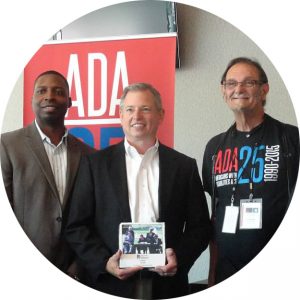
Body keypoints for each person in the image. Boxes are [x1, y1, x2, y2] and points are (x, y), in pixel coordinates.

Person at [65, 82, 211, 299]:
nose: (137, 116)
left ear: (161, 114)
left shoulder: (184, 167)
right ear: (121, 115)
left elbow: (200, 227)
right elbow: (76, 226)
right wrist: (105, 263)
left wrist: (178, 257)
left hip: (167, 286)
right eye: (130, 109)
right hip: (110, 286)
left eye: (145, 109)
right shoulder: (95, 165)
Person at [202, 57, 299, 285]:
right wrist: (212, 274)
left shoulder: (290, 139)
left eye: (249, 82)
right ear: (223, 91)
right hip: (228, 272)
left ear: (264, 90)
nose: (239, 89)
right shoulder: (214, 148)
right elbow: (216, 215)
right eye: (231, 83)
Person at [0, 70, 95, 278]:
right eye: (42, 91)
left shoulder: (88, 155)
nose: (49, 96)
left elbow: (93, 218)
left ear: (69, 102)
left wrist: (79, 265)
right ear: (32, 99)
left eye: (58, 91)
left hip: (73, 271)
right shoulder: (6, 146)